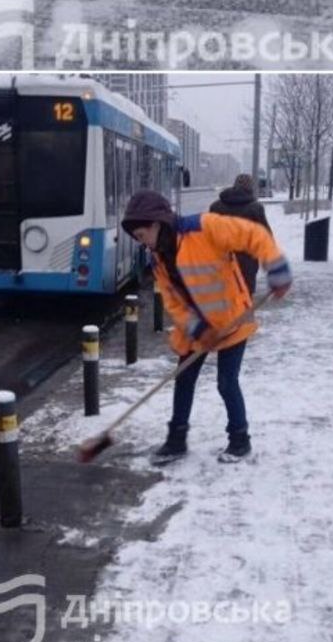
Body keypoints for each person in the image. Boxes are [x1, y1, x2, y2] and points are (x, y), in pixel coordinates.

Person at [122, 190, 292, 463]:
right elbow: (173, 301)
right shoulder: (159, 258)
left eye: (142, 236)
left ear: (155, 224)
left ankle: (240, 440)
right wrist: (199, 329)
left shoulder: (205, 227)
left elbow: (255, 235)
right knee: (184, 378)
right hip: (198, 325)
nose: (143, 244)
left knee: (226, 382)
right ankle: (176, 441)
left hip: (231, 319)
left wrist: (277, 268)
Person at [209, 173, 272, 296]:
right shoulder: (255, 208)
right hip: (247, 264)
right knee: (245, 300)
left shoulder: (215, 207)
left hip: (221, 261)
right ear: (251, 188)